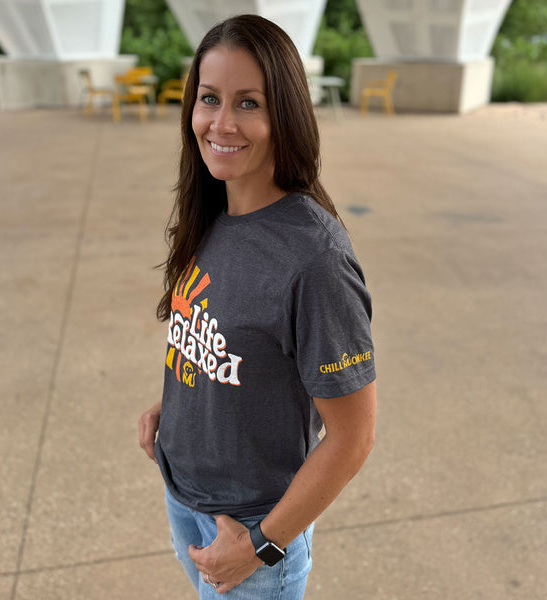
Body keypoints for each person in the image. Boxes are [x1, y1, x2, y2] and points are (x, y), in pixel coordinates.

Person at [138, 14, 376, 599]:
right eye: (209, 98)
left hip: (252, 531)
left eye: (249, 103)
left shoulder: (314, 257)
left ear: (285, 115)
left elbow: (354, 437)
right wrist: (183, 404)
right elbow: (236, 342)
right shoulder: (213, 214)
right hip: (186, 499)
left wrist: (263, 545)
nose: (221, 123)